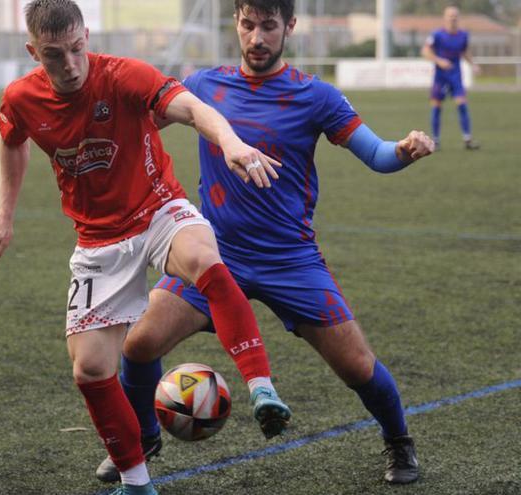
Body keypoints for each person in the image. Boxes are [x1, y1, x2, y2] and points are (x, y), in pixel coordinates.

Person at [95, 0, 434, 486]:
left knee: (357, 365)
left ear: (289, 27)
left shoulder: (317, 96)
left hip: (290, 259)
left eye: (269, 27)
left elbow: (378, 155)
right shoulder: (204, 86)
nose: (257, 38)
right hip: (214, 254)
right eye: (248, 24)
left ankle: (399, 440)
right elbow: (141, 124)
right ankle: (144, 439)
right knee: (140, 344)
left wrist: (403, 150)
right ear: (236, 22)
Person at [0, 1, 291, 493]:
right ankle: (137, 481)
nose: (71, 64)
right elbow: (12, 139)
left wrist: (230, 142)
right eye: (55, 55)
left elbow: (191, 107)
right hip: (98, 240)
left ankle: (262, 388)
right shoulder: (21, 97)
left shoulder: (122, 76)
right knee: (91, 369)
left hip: (158, 207)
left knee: (206, 261)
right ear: (34, 52)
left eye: (78, 49)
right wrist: (3, 218)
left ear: (86, 38)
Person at [422, 5, 480, 151]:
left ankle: (467, 139)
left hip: (456, 75)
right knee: (436, 107)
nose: (452, 18)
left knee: (462, 105)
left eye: (455, 15)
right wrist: (439, 60)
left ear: (458, 18)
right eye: (450, 15)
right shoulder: (437, 35)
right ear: (445, 18)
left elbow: (465, 52)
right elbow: (425, 51)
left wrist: (473, 64)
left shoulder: (463, 35)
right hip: (440, 76)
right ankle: (435, 141)